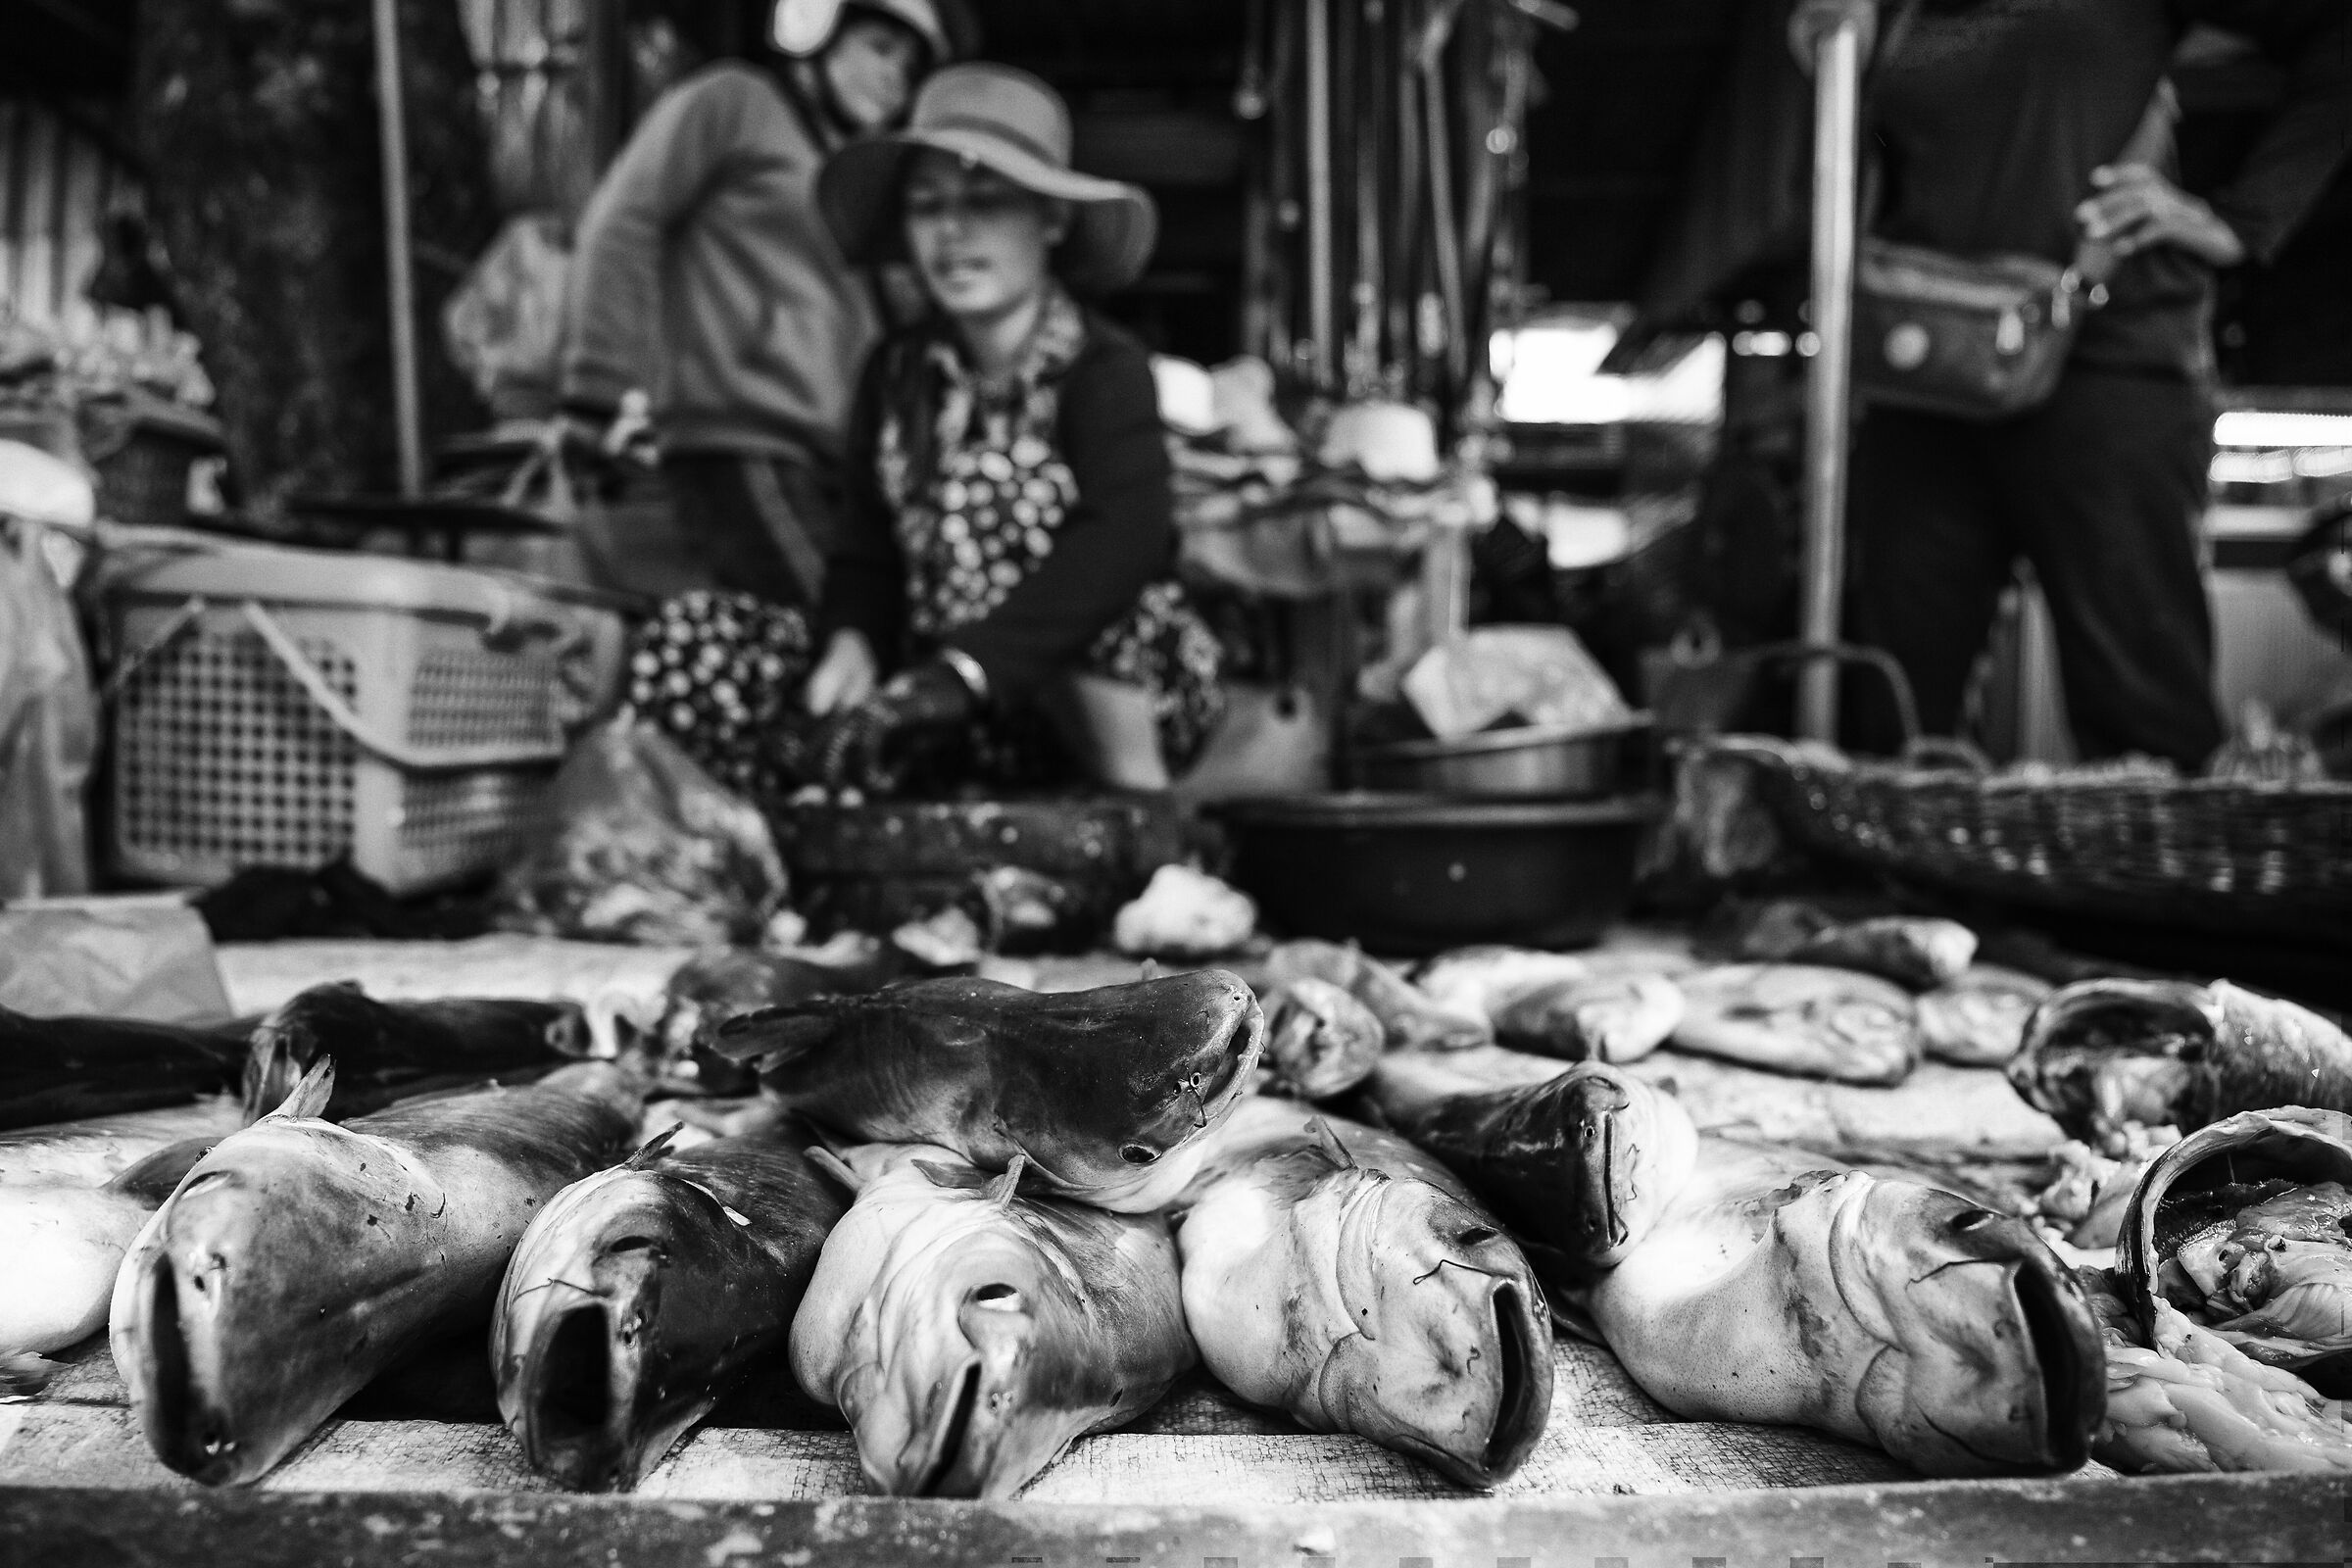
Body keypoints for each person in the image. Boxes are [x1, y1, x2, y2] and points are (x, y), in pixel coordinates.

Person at [1796, 0, 2352, 770]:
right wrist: (1830, 58)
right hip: (1928, 378)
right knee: (1894, 712)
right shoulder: (1888, 9)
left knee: (2143, 719)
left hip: (2111, 364)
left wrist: (2241, 221)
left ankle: (2139, 853)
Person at [561, 0, 963, 797]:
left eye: (910, 63)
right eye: (878, 45)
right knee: (832, 634)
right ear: (819, 30)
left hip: (833, 463)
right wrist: (596, 385)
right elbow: (624, 219)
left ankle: (784, 808)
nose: (893, 75)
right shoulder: (733, 102)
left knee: (841, 642)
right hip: (740, 438)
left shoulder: (866, 176)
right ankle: (832, 817)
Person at [800, 63, 1224, 795]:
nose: (952, 231)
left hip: (1095, 696)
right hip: (937, 704)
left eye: (985, 201)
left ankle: (1142, 813)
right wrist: (851, 642)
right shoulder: (893, 372)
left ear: (1051, 220)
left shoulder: (1105, 368)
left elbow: (1126, 539)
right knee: (707, 636)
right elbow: (865, 550)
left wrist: (967, 673)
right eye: (927, 205)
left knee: (989, 489)